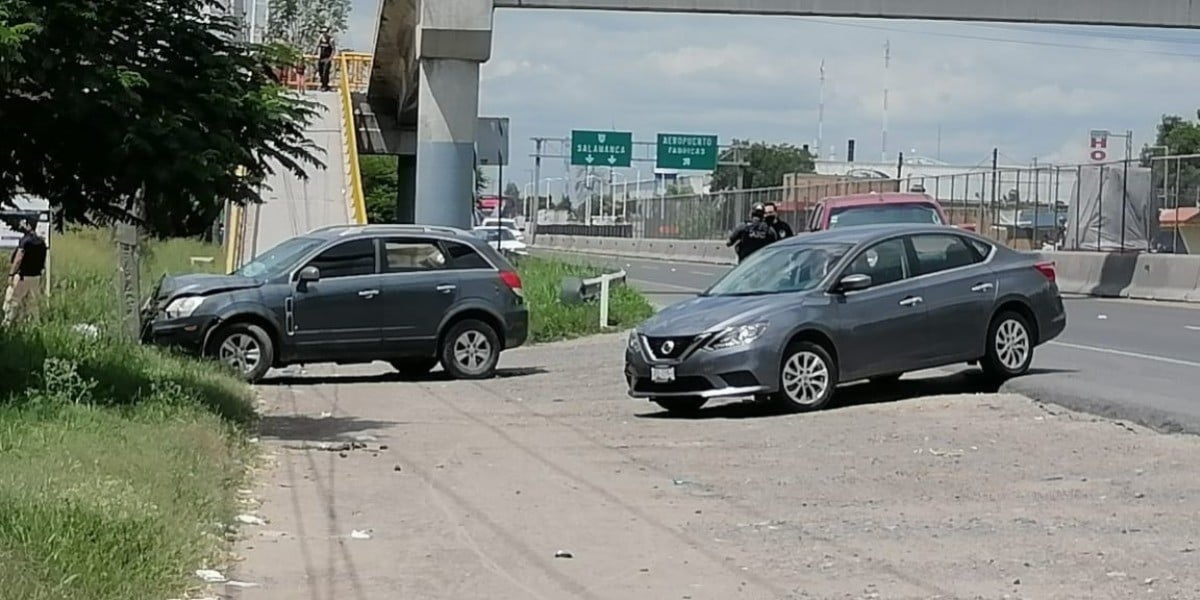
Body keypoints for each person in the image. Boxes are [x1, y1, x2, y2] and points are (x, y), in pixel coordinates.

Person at [3, 217, 47, 326]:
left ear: (28, 225)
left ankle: (8, 324)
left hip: (22, 276)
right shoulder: (41, 242)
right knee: (33, 303)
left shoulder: (25, 241)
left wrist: (11, 273)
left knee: (13, 301)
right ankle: (35, 324)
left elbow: (18, 258)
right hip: (35, 277)